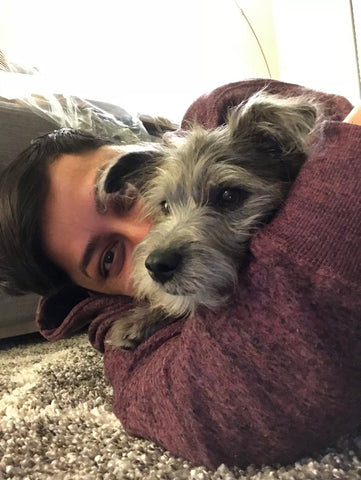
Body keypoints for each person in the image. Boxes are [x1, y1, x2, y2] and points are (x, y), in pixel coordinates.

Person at [1, 78, 361, 469]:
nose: (151, 244)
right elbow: (230, 408)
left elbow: (339, 137)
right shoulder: (126, 342)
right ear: (91, 294)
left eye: (131, 199)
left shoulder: (228, 111)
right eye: (109, 259)